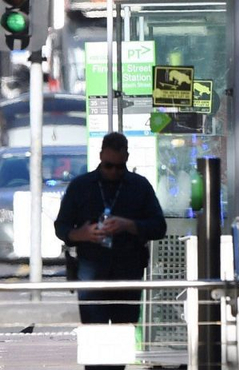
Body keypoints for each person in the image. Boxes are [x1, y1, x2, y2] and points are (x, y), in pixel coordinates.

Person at [55, 132, 167, 370]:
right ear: (100, 157)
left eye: (119, 167)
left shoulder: (138, 186)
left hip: (127, 272)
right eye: (108, 166)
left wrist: (129, 225)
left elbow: (159, 226)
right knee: (95, 339)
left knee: (120, 337)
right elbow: (61, 226)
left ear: (126, 159)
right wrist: (80, 234)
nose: (114, 172)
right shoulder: (81, 186)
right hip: (91, 273)